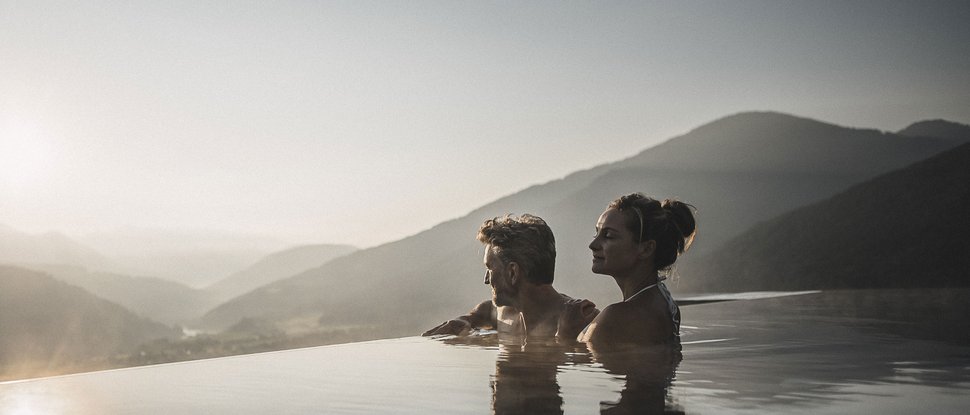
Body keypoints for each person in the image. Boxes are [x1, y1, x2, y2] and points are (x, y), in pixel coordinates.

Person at [423, 214, 599, 340]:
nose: (486, 279)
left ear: (512, 273)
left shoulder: (581, 319)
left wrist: (565, 340)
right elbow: (487, 309)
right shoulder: (506, 312)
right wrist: (467, 319)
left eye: (490, 269)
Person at [578, 193, 696, 348]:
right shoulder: (665, 303)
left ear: (646, 249)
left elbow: (578, 357)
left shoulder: (617, 317)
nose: (593, 245)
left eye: (608, 236)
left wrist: (564, 331)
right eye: (597, 233)